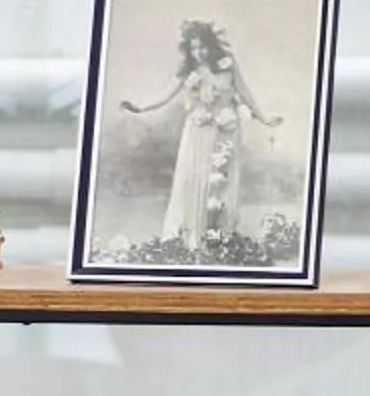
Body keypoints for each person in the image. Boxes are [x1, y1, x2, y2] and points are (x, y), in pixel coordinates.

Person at [117, 19, 282, 249]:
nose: (198, 52)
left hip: (226, 132)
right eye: (193, 48)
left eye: (202, 46)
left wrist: (263, 118)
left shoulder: (228, 64)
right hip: (198, 131)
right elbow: (165, 95)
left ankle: (221, 237)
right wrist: (140, 107)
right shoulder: (188, 71)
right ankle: (194, 237)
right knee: (194, 181)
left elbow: (244, 92)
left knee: (222, 183)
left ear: (212, 45)